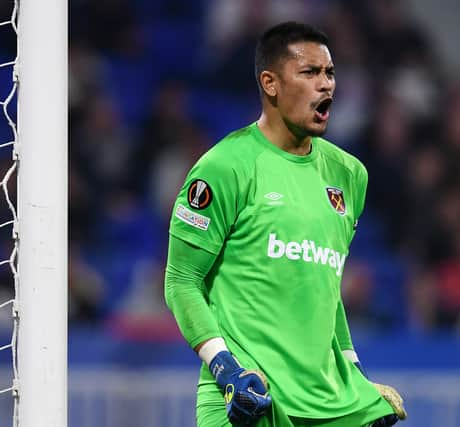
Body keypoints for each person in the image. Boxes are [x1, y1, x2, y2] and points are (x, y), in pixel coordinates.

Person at [164, 21, 407, 427]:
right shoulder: (224, 167)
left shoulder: (349, 175)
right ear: (271, 83)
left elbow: (324, 285)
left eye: (329, 73)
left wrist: (355, 372)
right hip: (246, 397)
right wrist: (225, 369)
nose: (325, 85)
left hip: (328, 405)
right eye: (310, 73)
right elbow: (181, 280)